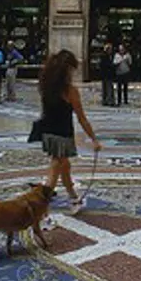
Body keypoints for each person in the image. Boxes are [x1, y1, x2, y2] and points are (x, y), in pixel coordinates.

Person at [38, 50, 100, 211]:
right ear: (67, 70)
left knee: (65, 166)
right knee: (54, 171)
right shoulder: (70, 91)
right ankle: (41, 210)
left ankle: (73, 197)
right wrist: (93, 139)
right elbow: (81, 118)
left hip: (49, 132)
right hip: (63, 134)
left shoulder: (45, 86)